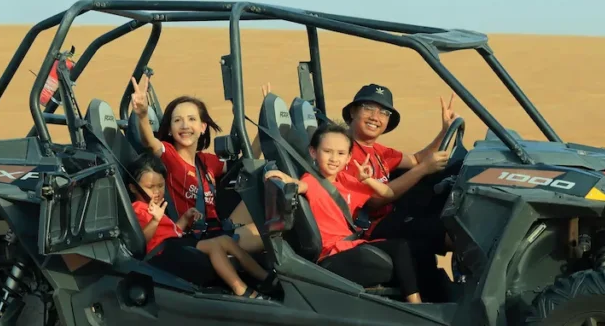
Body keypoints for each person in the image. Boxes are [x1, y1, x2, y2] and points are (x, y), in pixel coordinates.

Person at [264, 121, 432, 304]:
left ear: (349, 157)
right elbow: (300, 185)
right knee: (400, 247)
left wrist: (367, 180)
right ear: (313, 152)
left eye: (341, 153)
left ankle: (436, 300)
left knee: (419, 249)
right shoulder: (311, 180)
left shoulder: (346, 180)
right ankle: (416, 305)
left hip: (350, 244)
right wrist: (285, 178)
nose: (334, 158)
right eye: (327, 152)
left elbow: (388, 193)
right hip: (332, 253)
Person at [129, 75, 272, 254]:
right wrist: (142, 115)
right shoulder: (169, 156)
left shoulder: (206, 161)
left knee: (268, 203)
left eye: (191, 119)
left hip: (218, 228)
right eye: (177, 120)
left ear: (203, 127)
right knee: (270, 236)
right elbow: (150, 142)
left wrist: (263, 127)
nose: (184, 125)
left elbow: (245, 165)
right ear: (170, 130)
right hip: (195, 237)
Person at [127, 153, 277, 299]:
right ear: (133, 188)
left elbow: (172, 231)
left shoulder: (155, 207)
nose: (157, 191)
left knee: (226, 240)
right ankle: (241, 289)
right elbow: (140, 241)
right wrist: (154, 220)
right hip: (163, 254)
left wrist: (185, 218)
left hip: (175, 244)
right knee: (214, 246)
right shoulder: (138, 208)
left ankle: (265, 278)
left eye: (160, 185)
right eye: (150, 187)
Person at [340, 84, 459, 255]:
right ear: (353, 112)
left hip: (390, 212)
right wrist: (423, 169)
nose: (375, 117)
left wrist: (445, 131)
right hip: (369, 226)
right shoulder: (343, 152)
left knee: (450, 176)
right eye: (368, 108)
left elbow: (417, 159)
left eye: (384, 113)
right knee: (447, 233)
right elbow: (374, 201)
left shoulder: (378, 151)